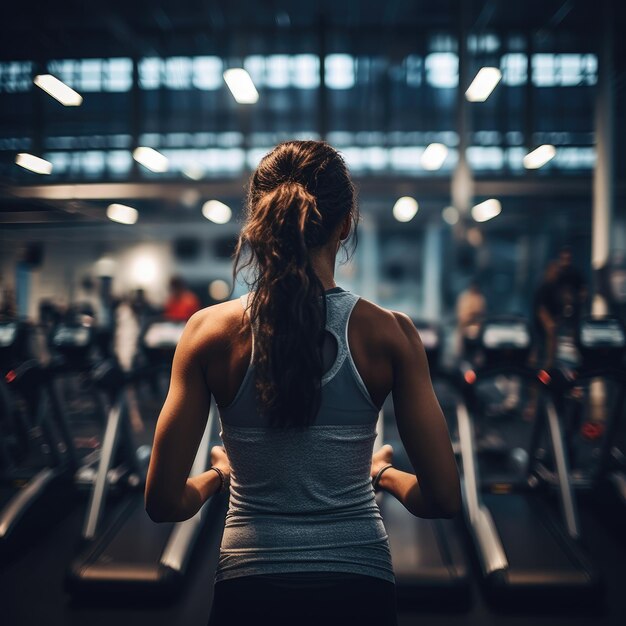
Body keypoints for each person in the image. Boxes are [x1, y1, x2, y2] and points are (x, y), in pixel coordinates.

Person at [144, 141, 460, 626]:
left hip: (249, 588)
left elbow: (165, 504)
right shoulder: (391, 334)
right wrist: (380, 475)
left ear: (259, 221)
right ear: (346, 224)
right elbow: (440, 499)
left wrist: (218, 476)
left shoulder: (207, 333)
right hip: (360, 588)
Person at [455, 279, 486, 360]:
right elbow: (462, 314)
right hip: (464, 328)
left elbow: (481, 313)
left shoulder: (480, 298)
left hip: (476, 329)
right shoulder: (464, 297)